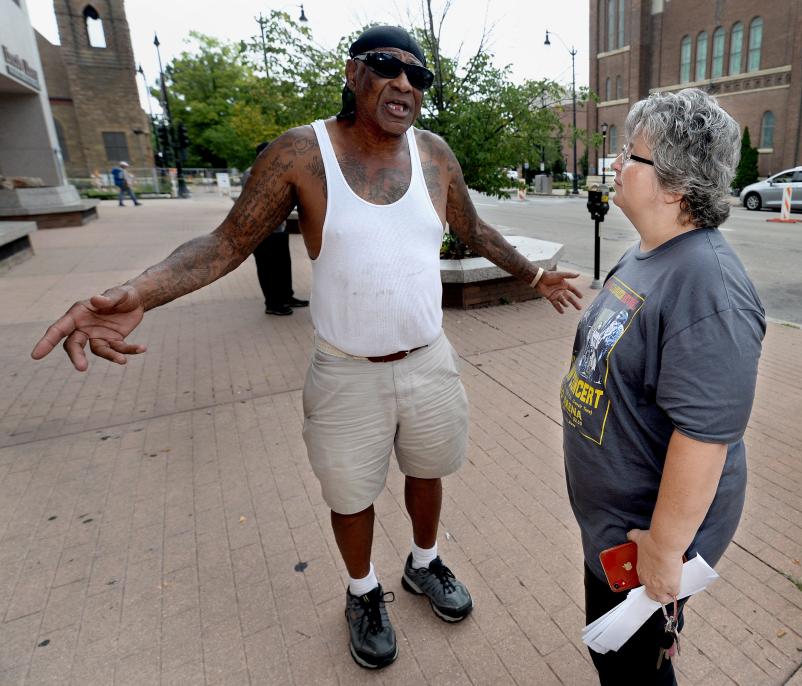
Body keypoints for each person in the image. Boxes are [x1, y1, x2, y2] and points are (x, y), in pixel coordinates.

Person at [31, 25, 582, 671]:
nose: (404, 83)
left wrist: (535, 275)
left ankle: (424, 565)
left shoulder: (435, 154)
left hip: (430, 361)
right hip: (346, 372)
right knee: (350, 495)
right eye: (387, 67)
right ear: (354, 73)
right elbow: (227, 242)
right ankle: (364, 591)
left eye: (418, 76)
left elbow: (475, 228)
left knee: (428, 469)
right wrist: (138, 292)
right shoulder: (301, 152)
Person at [561, 88, 765, 685]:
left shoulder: (710, 289)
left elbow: (705, 436)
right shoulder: (647, 255)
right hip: (614, 525)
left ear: (675, 184)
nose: (617, 164)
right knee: (614, 659)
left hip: (646, 541)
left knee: (634, 672)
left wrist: (664, 549)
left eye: (632, 154)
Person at [242, 142, 309, 315]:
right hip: (260, 231)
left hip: (279, 228)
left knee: (283, 265)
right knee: (267, 267)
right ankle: (272, 303)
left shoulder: (277, 171)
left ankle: (287, 296)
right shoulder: (252, 173)